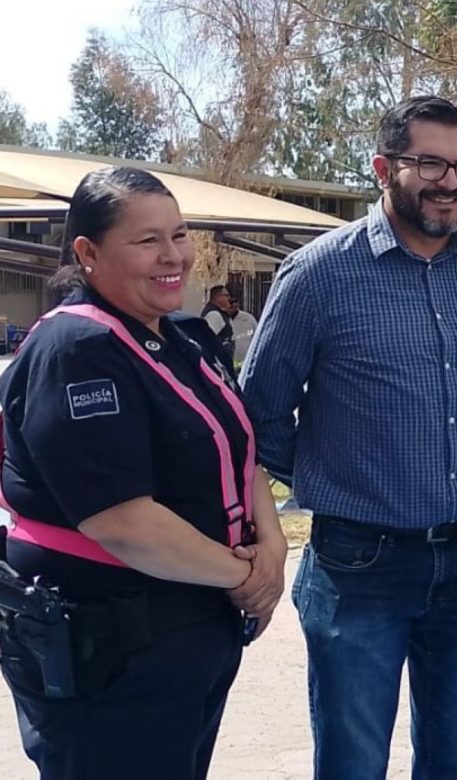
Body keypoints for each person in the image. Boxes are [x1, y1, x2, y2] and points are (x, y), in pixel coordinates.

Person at [240, 95, 457, 779]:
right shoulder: (317, 275)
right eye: (429, 162)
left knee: (454, 763)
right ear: (382, 167)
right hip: (357, 568)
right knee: (352, 765)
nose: (451, 182)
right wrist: (336, 474)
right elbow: (259, 415)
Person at [0, 167, 285, 779]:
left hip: (190, 626)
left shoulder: (181, 337)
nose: (172, 256)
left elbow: (240, 450)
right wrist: (244, 575)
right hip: (108, 648)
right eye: (146, 240)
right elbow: (123, 520)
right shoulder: (75, 351)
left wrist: (275, 547)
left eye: (179, 235)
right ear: (87, 252)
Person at [201, 284, 235, 362]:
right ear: (218, 297)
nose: (229, 298)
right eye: (226, 295)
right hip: (217, 362)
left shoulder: (220, 314)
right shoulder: (214, 315)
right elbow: (206, 339)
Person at [227, 296, 258, 364]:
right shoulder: (221, 318)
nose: (233, 305)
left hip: (245, 362)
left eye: (235, 302)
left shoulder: (249, 318)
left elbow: (257, 338)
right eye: (230, 302)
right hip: (228, 362)